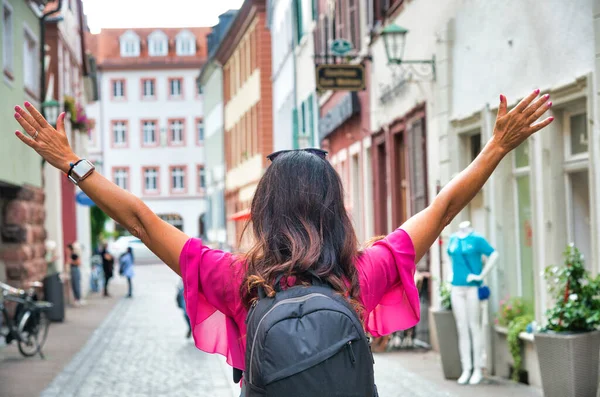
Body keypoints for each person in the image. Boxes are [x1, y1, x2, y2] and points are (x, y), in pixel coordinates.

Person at [12, 91, 553, 393]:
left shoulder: (237, 279)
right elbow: (444, 207)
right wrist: (496, 147)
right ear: (332, 204)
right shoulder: (360, 275)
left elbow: (141, 220)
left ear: (266, 209)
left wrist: (74, 163)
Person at [447, 220, 499, 385]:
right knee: (462, 328)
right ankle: (466, 368)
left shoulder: (476, 239)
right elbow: (449, 257)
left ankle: (478, 368)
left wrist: (481, 276)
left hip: (472, 288)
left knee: (474, 327)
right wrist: (450, 275)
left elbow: (494, 254)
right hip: (456, 288)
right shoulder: (453, 238)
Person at [67, 242, 85, 306]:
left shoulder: (74, 255)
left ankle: (79, 299)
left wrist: (71, 262)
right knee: (73, 285)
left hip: (75, 270)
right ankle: (76, 299)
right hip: (72, 271)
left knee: (76, 285)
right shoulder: (70, 255)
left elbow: (79, 263)